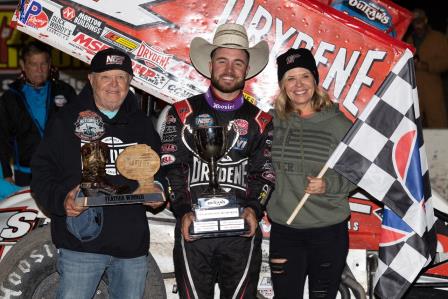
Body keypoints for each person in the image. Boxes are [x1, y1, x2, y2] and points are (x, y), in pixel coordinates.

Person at [30, 48, 166, 298]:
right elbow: (41, 172)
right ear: (91, 79)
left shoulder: (142, 124)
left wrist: (158, 187)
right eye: (106, 77)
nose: (114, 85)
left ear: (130, 82)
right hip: (81, 245)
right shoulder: (65, 120)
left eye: (121, 77)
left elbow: (161, 168)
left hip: (131, 246)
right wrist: (62, 199)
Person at [161, 23, 275, 298]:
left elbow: (266, 173)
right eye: (222, 60)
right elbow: (171, 167)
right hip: (194, 227)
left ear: (247, 69)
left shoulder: (262, 122)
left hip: (241, 232)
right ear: (210, 64)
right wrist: (183, 210)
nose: (229, 69)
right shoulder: (182, 112)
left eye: (238, 63)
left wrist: (253, 209)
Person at [267, 48, 356, 299]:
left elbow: (359, 172)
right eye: (290, 78)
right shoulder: (272, 122)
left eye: (305, 76)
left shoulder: (338, 124)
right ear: (283, 85)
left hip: (328, 232)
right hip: (285, 231)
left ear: (315, 81)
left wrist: (328, 184)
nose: (299, 85)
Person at [0, 41, 76, 186]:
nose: (39, 70)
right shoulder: (10, 98)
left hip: (60, 171)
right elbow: (2, 139)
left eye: (43, 64)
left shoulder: (65, 91)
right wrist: (7, 175)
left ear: (50, 64)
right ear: (23, 65)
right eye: (34, 64)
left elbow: (78, 132)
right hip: (25, 173)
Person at [405, 8, 448, 128]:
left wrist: (427, 65)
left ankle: (441, 147)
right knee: (412, 123)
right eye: (414, 22)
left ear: (425, 20)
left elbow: (446, 61)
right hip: (413, 87)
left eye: (420, 21)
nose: (417, 24)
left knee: (438, 121)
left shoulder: (438, 38)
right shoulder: (409, 40)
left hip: (432, 86)